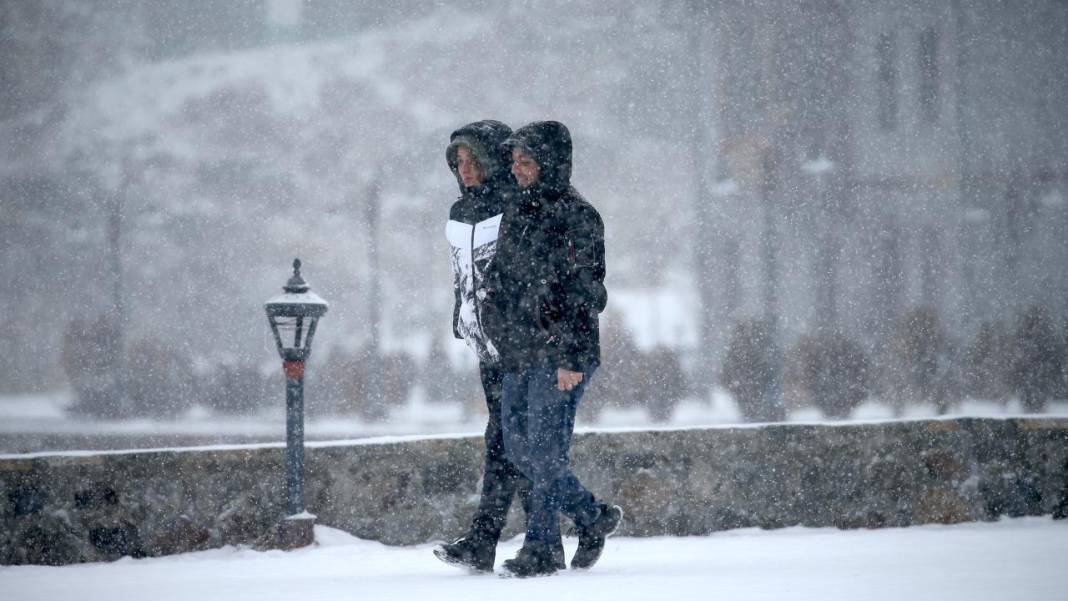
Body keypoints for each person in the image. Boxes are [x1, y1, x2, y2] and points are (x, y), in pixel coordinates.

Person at [486, 120, 622, 578]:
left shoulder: (578, 216)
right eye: (515, 161)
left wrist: (571, 356)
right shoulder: (516, 211)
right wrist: (500, 334)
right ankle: (591, 516)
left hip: (560, 355)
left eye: (526, 161)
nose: (517, 169)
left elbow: (586, 292)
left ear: (551, 164)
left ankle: (542, 548)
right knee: (517, 449)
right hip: (519, 353)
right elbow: (500, 282)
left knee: (545, 454)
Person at [434, 120, 567, 573]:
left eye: (474, 160)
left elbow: (529, 275)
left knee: (511, 441)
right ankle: (541, 538)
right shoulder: (459, 211)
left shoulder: (515, 205)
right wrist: (462, 316)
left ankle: (521, 541)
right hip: (485, 346)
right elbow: (463, 274)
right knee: (509, 442)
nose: (465, 170)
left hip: (519, 344)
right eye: (459, 162)